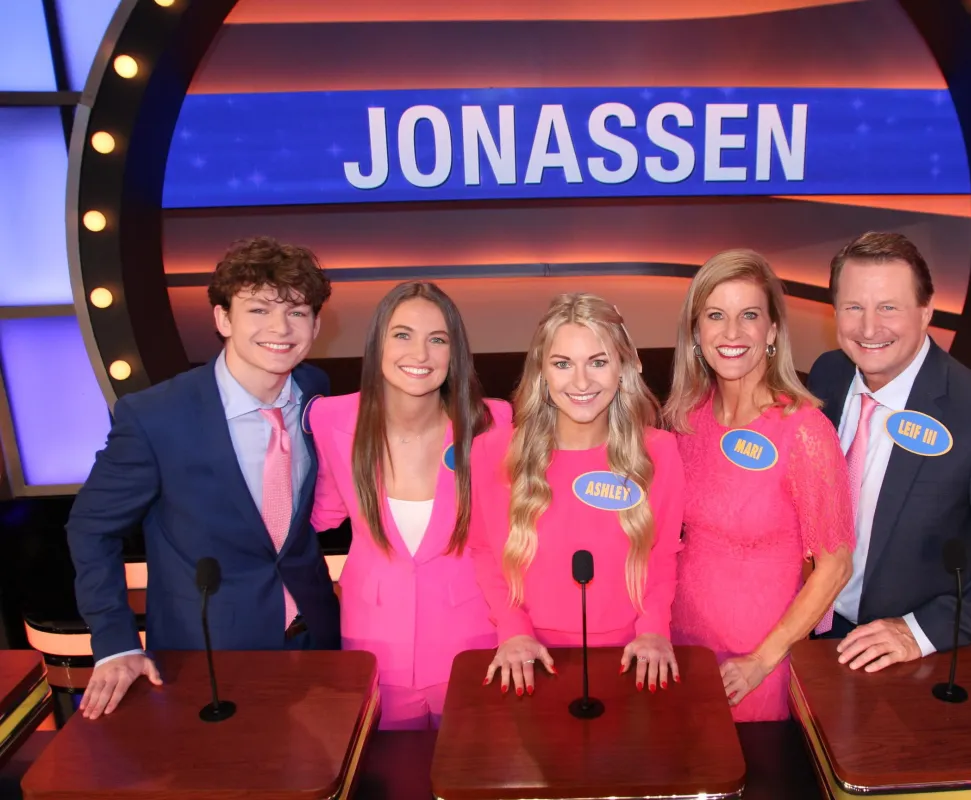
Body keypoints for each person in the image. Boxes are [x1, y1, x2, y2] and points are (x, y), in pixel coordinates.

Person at [67, 236, 340, 718]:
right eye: (258, 309)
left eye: (297, 312)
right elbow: (91, 529)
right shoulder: (156, 416)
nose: (280, 327)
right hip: (206, 655)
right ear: (222, 319)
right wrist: (115, 643)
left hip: (316, 640)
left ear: (316, 325)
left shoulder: (317, 393)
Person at [806, 231, 971, 671]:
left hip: (903, 659)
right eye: (854, 307)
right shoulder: (828, 374)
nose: (869, 328)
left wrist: (919, 631)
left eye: (888, 307)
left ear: (926, 311)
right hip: (810, 631)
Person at [664, 249, 854, 721]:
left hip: (755, 666)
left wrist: (762, 660)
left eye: (749, 315)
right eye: (715, 316)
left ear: (771, 332)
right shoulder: (685, 420)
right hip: (682, 645)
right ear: (696, 333)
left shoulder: (804, 430)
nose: (731, 333)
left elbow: (836, 567)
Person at [308, 281, 508, 729]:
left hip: (475, 640)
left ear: (454, 353)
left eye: (437, 339)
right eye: (402, 335)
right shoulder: (331, 420)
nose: (420, 353)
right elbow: (320, 515)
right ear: (377, 341)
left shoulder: (493, 424)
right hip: (372, 645)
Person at [469, 293, 685, 696]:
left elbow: (662, 554)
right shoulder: (494, 452)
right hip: (526, 657)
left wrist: (654, 629)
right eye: (563, 364)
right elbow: (485, 552)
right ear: (542, 373)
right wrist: (514, 631)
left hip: (630, 657)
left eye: (598, 362)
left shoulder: (658, 452)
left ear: (622, 368)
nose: (581, 382)